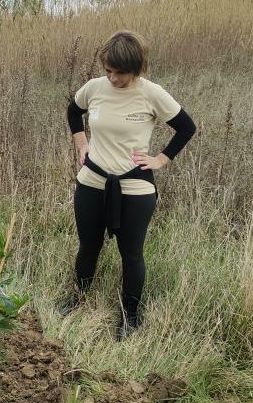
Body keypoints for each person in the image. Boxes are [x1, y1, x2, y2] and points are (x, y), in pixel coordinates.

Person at [61, 31, 196, 339]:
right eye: (107, 70)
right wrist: (81, 143)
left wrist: (161, 159)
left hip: (135, 187)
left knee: (131, 254)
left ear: (137, 68)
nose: (112, 78)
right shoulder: (95, 88)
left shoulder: (152, 94)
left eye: (119, 73)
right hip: (91, 181)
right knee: (88, 247)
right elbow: (73, 111)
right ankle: (77, 300)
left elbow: (186, 127)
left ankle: (130, 316)